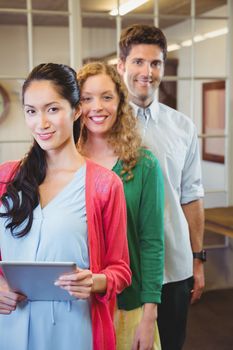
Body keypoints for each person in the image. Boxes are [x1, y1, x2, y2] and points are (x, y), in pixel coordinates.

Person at [0, 63, 131, 350]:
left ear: (76, 111)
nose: (41, 123)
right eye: (31, 111)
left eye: (52, 109)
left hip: (73, 329)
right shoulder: (5, 178)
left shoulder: (104, 185)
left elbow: (120, 270)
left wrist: (94, 281)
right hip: (9, 327)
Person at [117, 24, 205, 350]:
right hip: (123, 267)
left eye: (155, 63)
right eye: (138, 62)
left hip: (174, 265)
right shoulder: (101, 125)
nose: (147, 72)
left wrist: (197, 259)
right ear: (121, 66)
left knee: (170, 344)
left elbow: (192, 195)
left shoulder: (183, 127)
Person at [77, 61, 164, 350]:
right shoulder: (61, 164)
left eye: (106, 97)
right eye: (86, 98)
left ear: (120, 102)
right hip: (75, 306)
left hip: (128, 305)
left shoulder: (143, 164)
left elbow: (152, 243)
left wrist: (149, 317)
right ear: (75, 106)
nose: (96, 107)